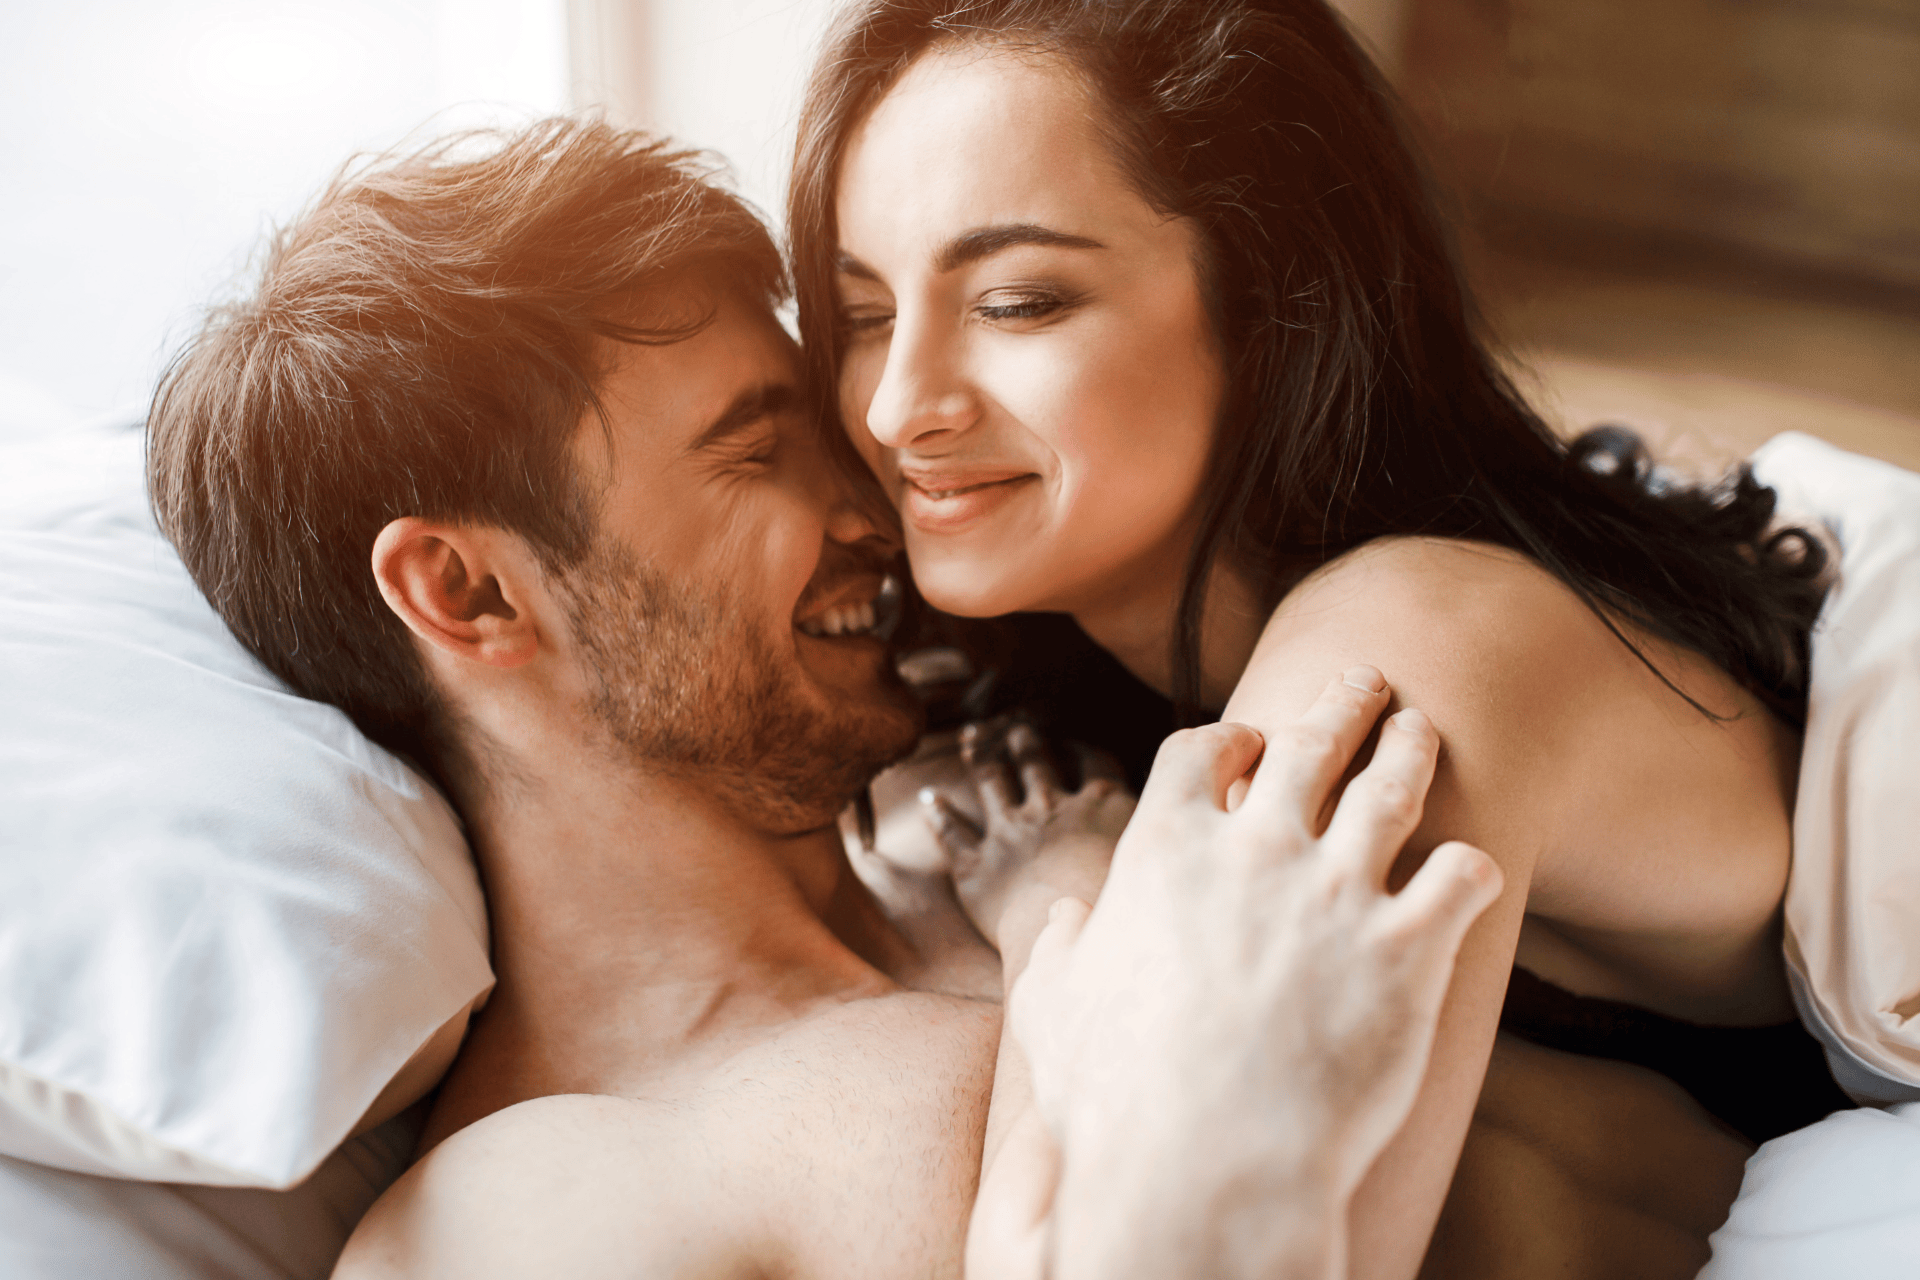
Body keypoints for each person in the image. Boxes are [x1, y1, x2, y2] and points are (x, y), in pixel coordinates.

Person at [144, 118, 1501, 1279]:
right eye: (753, 451)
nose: (873, 501)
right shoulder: (534, 1212)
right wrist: (1070, 927)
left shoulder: (1020, 798)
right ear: (471, 593)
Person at [788, 1, 1848, 1275]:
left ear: (1272, 304)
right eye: (861, 315)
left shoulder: (1402, 655)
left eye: (1018, 302)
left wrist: (1054, 897)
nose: (898, 405)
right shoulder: (1086, 685)